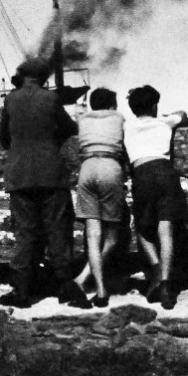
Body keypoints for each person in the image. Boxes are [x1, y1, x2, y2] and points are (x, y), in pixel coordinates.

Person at [0, 58, 88, 310]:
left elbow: (3, 136)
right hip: (51, 173)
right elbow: (70, 127)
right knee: (58, 229)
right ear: (43, 78)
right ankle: (65, 286)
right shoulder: (51, 99)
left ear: (23, 76)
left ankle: (22, 290)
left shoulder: (11, 99)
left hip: (20, 174)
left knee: (25, 232)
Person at [124, 84, 188, 310]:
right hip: (165, 172)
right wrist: (167, 116)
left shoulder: (127, 126)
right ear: (154, 105)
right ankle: (165, 284)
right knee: (166, 231)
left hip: (142, 173)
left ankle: (154, 268)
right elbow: (185, 116)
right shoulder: (164, 122)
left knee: (143, 230)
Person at [70, 88, 126, 307]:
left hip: (87, 168)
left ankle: (97, 288)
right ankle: (87, 280)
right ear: (112, 105)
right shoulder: (118, 117)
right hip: (110, 167)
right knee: (113, 237)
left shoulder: (83, 119)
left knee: (92, 236)